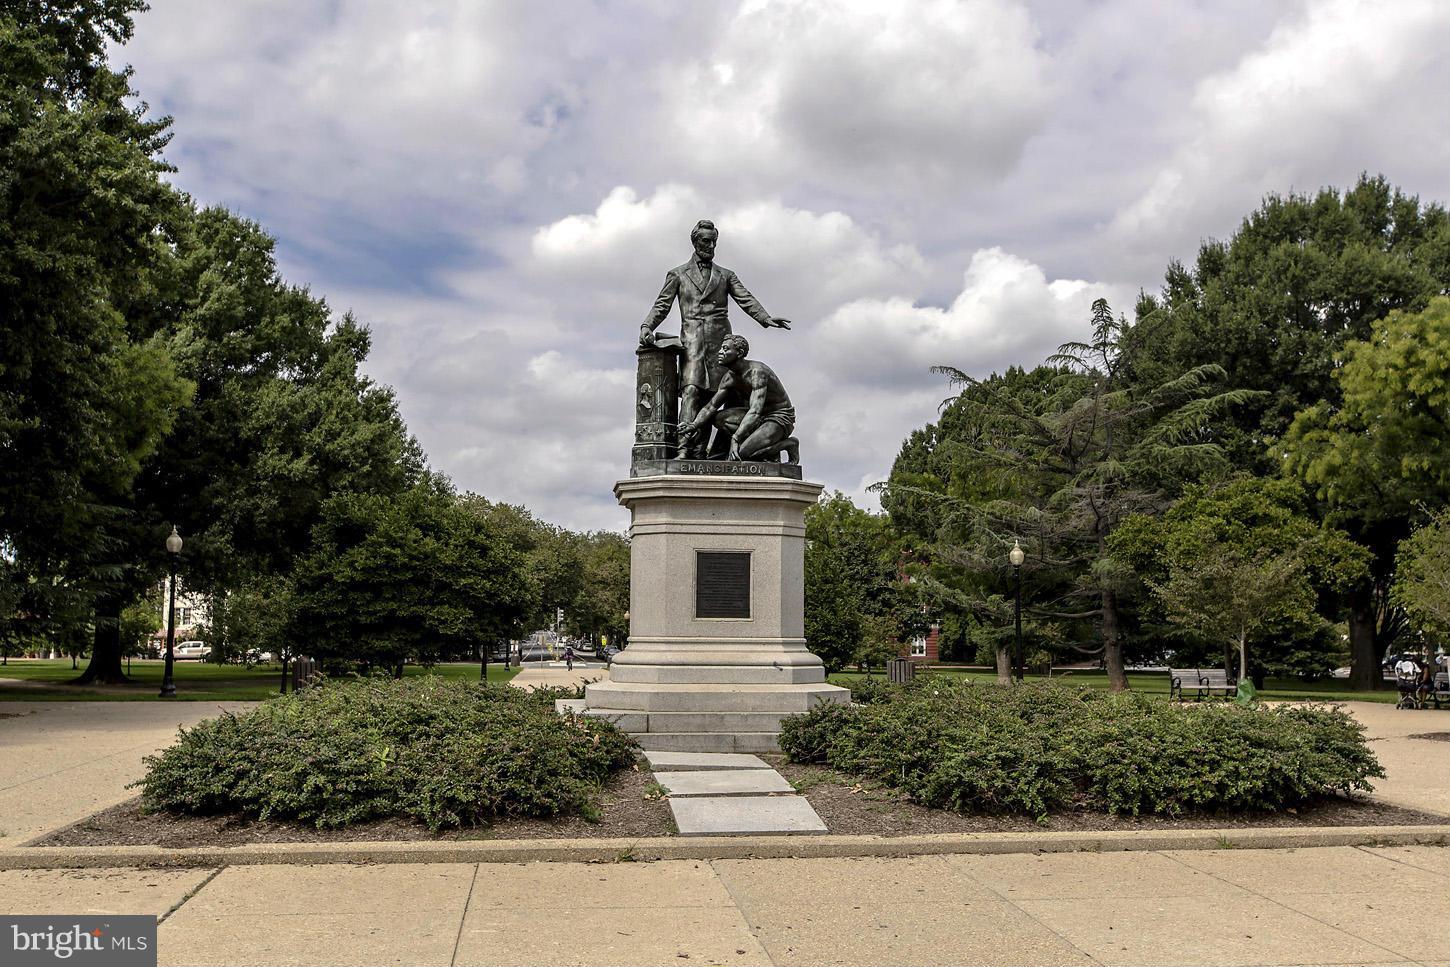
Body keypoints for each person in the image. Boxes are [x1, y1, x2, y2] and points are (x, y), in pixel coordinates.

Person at [640, 220, 791, 458]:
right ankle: (685, 450)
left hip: (722, 345)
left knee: (726, 397)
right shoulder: (678, 274)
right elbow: (662, 304)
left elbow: (745, 298)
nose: (710, 246)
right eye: (705, 241)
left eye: (713, 242)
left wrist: (765, 317)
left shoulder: (726, 275)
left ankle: (717, 453)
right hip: (693, 345)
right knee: (691, 393)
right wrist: (648, 325)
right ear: (695, 242)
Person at [679, 334, 796, 462]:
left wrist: (736, 439)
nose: (720, 352)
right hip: (757, 418)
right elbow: (711, 407)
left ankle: (788, 444)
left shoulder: (757, 372)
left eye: (725, 349)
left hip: (778, 418)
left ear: (739, 353)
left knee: (742, 455)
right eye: (721, 349)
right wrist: (693, 425)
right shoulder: (729, 377)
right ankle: (760, 443)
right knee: (718, 418)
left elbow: (755, 411)